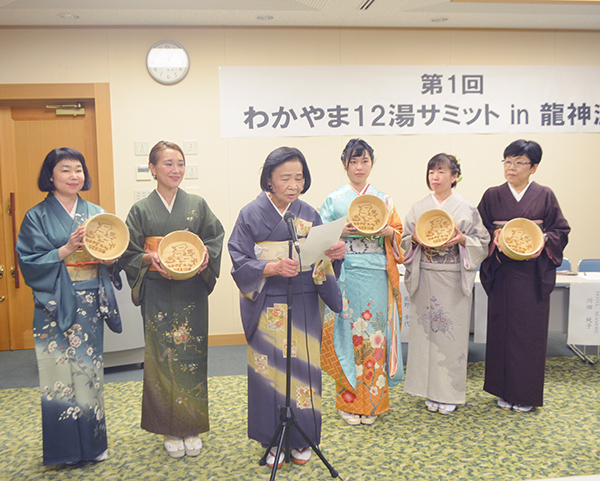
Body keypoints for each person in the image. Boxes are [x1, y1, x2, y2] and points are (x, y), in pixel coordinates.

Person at [228, 146, 345, 468]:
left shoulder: (309, 213)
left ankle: (302, 437)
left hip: (305, 299)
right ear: (269, 179)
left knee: (304, 371)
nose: (294, 184)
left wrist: (335, 253)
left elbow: (321, 257)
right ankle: (272, 439)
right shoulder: (250, 213)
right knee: (270, 372)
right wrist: (271, 268)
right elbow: (239, 258)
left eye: (299, 177)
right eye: (285, 178)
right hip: (268, 301)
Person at [16, 147, 122, 466]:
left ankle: (92, 446)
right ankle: (64, 451)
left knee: (89, 374)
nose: (74, 175)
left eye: (78, 169)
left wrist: (111, 260)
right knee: (57, 374)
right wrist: (66, 248)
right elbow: (29, 261)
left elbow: (109, 254)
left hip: (89, 301)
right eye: (65, 169)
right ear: (50, 175)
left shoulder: (96, 211)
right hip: (53, 303)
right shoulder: (36, 215)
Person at [120, 141, 224, 458]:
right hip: (158, 290)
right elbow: (128, 250)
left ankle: (190, 425)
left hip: (190, 289)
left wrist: (206, 256)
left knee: (191, 355)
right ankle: (168, 427)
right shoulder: (140, 210)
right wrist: (150, 259)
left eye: (180, 163)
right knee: (161, 356)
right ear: (152, 168)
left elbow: (215, 238)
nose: (175, 170)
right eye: (167, 164)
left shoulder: (197, 204)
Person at [477, 139, 570, 413]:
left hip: (531, 275)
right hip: (503, 274)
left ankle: (525, 393)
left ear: (534, 167)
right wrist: (492, 237)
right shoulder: (492, 195)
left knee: (528, 335)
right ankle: (503, 390)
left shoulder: (545, 195)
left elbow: (560, 231)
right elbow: (479, 230)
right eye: (507, 161)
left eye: (519, 162)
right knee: (501, 332)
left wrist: (541, 239)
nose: (511, 167)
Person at [319, 138, 404, 426]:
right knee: (346, 336)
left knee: (374, 335)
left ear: (372, 163)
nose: (358, 167)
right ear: (344, 164)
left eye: (364, 160)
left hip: (376, 274)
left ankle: (374, 402)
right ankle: (348, 401)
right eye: (353, 161)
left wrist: (389, 232)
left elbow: (398, 233)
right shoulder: (334, 199)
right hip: (346, 273)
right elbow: (319, 235)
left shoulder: (384, 199)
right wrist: (339, 230)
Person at [401, 154, 489, 414]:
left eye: (441, 172)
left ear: (454, 177)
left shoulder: (467, 208)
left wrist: (462, 239)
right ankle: (427, 390)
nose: (435, 177)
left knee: (451, 336)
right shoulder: (418, 207)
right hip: (425, 274)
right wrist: (414, 239)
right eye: (431, 172)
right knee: (425, 336)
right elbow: (405, 239)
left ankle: (449, 392)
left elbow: (481, 242)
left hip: (452, 277)